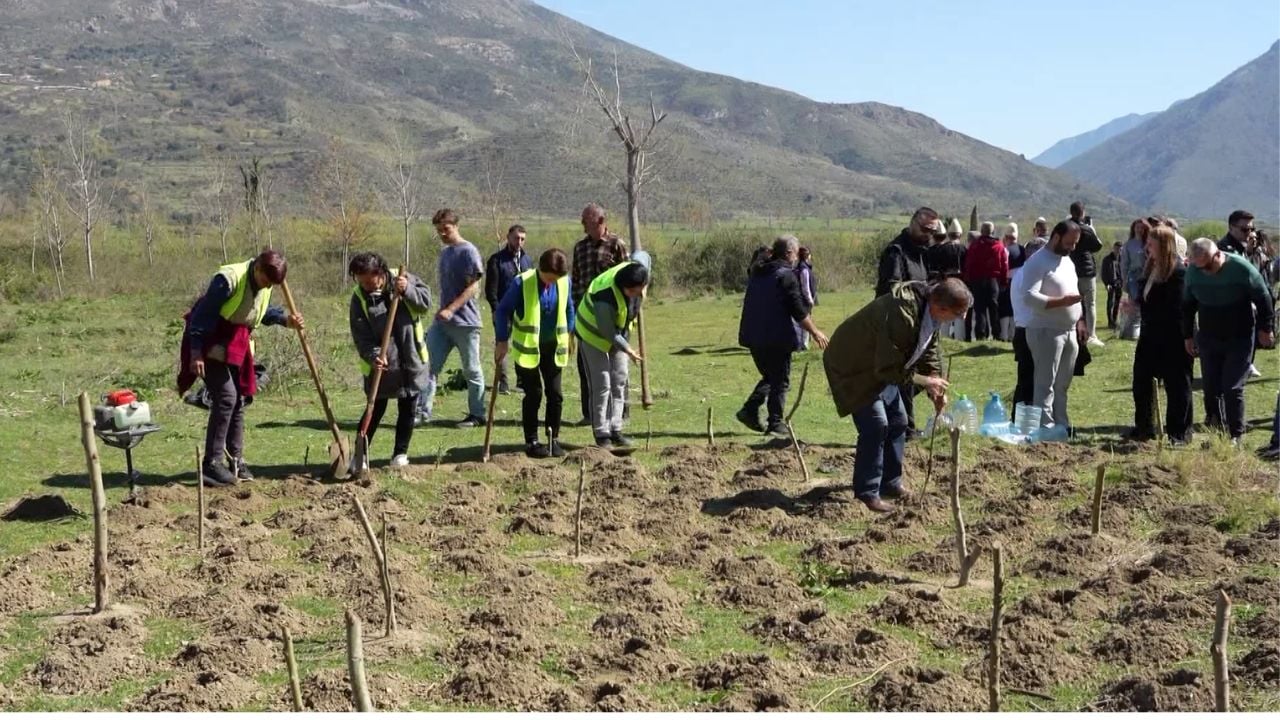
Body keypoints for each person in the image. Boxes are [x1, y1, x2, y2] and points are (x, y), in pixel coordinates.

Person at [823, 278, 971, 513]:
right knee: (876, 426)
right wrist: (925, 381)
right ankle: (867, 493)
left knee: (899, 421)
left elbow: (928, 346)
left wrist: (935, 381)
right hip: (853, 366)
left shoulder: (928, 310)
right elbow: (888, 368)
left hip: (880, 367)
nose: (961, 319)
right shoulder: (902, 314)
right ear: (940, 307)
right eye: (958, 313)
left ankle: (890, 483)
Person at [178, 249, 301, 486]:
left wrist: (287, 320)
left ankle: (236, 460)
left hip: (236, 344)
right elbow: (201, 317)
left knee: (239, 400)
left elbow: (261, 311)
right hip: (210, 341)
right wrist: (195, 354)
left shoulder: (265, 286)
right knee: (226, 397)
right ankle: (212, 464)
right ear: (257, 269)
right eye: (266, 281)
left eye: (271, 285)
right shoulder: (227, 280)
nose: (267, 287)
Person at [1182, 237, 1275, 444]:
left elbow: (1263, 297)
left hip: (1239, 335)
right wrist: (1188, 335)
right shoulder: (1194, 272)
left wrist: (1265, 328)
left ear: (1217, 255)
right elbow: (1187, 306)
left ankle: (1236, 435)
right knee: (1211, 387)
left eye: (1207, 266)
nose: (1204, 271)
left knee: (1232, 387)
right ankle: (1217, 431)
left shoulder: (1241, 268)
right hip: (1208, 334)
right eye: (1199, 267)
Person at [736, 235, 830, 437]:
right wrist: (815, 332)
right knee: (780, 381)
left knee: (771, 376)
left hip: (753, 337)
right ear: (788, 254)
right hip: (776, 337)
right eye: (795, 254)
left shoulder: (757, 272)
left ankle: (750, 410)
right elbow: (798, 309)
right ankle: (776, 424)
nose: (797, 259)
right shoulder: (785, 276)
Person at [348, 252, 432, 468]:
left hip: (411, 358)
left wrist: (407, 290)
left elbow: (425, 304)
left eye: (369, 280)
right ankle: (359, 457)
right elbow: (361, 335)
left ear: (381, 273)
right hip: (383, 365)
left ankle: (400, 455)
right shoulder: (359, 298)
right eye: (361, 281)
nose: (366, 285)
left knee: (408, 407)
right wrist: (374, 354)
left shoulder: (402, 278)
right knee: (374, 409)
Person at [494, 248, 576, 458]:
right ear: (541, 269)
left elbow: (569, 308)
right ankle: (531, 441)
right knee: (534, 394)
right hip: (528, 350)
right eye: (549, 278)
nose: (551, 283)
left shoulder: (564, 282)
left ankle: (553, 439)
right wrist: (502, 340)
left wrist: (570, 334)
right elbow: (503, 310)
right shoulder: (522, 283)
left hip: (553, 347)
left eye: (556, 279)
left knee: (555, 394)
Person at [416, 208, 488, 428]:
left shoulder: (468, 252)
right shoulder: (445, 253)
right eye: (439, 231)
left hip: (466, 322)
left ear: (455, 226)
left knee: (472, 370)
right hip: (442, 323)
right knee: (427, 366)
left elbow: (473, 287)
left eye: (445, 229)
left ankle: (477, 415)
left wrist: (452, 309)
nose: (442, 234)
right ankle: (421, 413)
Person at [878, 207, 944, 436]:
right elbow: (891, 289)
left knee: (922, 372)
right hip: (897, 322)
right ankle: (905, 427)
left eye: (932, 231)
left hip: (919, 321)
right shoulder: (896, 252)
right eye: (925, 229)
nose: (928, 234)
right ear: (913, 222)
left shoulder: (922, 252)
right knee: (904, 372)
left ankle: (902, 420)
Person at [1014, 220, 1085, 431]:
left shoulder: (1067, 261)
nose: (1072, 247)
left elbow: (1074, 292)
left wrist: (1080, 319)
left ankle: (1061, 424)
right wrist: (1062, 302)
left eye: (1075, 244)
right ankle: (1045, 427)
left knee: (1062, 383)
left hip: (1069, 330)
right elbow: (1029, 297)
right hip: (1045, 330)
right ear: (1056, 237)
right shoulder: (1037, 262)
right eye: (1069, 243)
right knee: (1045, 383)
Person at [576, 252, 651, 448]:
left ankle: (616, 430)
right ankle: (602, 434)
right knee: (602, 384)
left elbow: (643, 256)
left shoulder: (638, 270)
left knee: (619, 380)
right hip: (593, 334)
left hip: (619, 332)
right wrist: (630, 350)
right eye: (632, 292)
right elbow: (609, 333)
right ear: (624, 287)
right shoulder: (605, 296)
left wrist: (644, 288)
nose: (636, 295)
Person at [1128, 226, 1192, 445]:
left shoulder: (1178, 273)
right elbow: (1148, 300)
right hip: (1149, 337)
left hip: (1173, 339)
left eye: (1151, 243)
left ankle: (1179, 434)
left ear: (1164, 245)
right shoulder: (1151, 269)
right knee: (1141, 383)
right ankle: (1144, 428)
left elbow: (1175, 309)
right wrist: (1136, 306)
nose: (1147, 247)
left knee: (1177, 387)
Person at [571, 203, 630, 425]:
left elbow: (629, 279)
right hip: (586, 319)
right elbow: (576, 281)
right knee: (587, 368)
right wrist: (575, 312)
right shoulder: (580, 248)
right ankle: (591, 414)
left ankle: (619, 415)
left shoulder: (617, 245)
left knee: (617, 370)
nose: (583, 225)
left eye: (586, 221)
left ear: (601, 222)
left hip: (613, 318)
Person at [484, 225, 533, 395]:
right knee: (501, 344)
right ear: (508, 237)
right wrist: (496, 311)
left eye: (522, 239)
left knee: (522, 345)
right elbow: (491, 290)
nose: (519, 242)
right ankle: (502, 382)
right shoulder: (496, 260)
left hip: (524, 311)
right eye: (516, 238)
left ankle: (522, 382)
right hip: (503, 310)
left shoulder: (527, 260)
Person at [1067, 202, 1105, 348]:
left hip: (1071, 269)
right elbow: (1098, 246)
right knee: (1090, 304)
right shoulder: (1086, 229)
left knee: (1072, 303)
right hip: (1087, 271)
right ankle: (1091, 334)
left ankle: (1073, 331)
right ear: (1083, 212)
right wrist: (1091, 228)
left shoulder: (1066, 228)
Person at [963, 221, 1009, 341]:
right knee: (994, 308)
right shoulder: (999, 246)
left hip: (977, 280)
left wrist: (968, 280)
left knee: (979, 308)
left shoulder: (974, 245)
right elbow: (1004, 265)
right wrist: (1004, 282)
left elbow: (969, 264)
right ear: (992, 231)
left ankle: (981, 334)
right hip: (993, 281)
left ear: (981, 231)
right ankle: (997, 334)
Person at [926, 218, 967, 340]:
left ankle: (944, 336)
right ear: (959, 234)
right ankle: (960, 338)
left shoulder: (942, 249)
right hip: (960, 283)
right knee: (959, 310)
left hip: (945, 282)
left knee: (945, 308)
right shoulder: (964, 249)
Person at [1119, 219, 1150, 339]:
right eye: (1137, 227)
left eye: (1142, 227)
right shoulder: (1128, 245)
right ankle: (1131, 331)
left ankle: (1144, 329)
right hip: (1133, 276)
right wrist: (1124, 280)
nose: (1140, 230)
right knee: (1134, 302)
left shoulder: (1148, 243)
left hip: (1146, 276)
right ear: (1133, 228)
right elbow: (1124, 264)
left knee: (1146, 302)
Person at [999, 222, 1024, 340]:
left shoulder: (1004, 250)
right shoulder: (1022, 249)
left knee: (1004, 309)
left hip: (1007, 281)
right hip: (1019, 283)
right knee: (1015, 308)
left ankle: (1003, 334)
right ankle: (1012, 334)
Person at [1101, 242, 1123, 330]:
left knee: (1117, 303)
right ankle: (1110, 322)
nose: (1118, 251)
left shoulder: (1123, 259)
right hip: (1111, 284)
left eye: (1120, 249)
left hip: (1119, 284)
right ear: (1113, 248)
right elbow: (1103, 273)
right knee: (1110, 303)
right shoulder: (1107, 259)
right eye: (1117, 249)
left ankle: (1114, 320)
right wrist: (1106, 284)